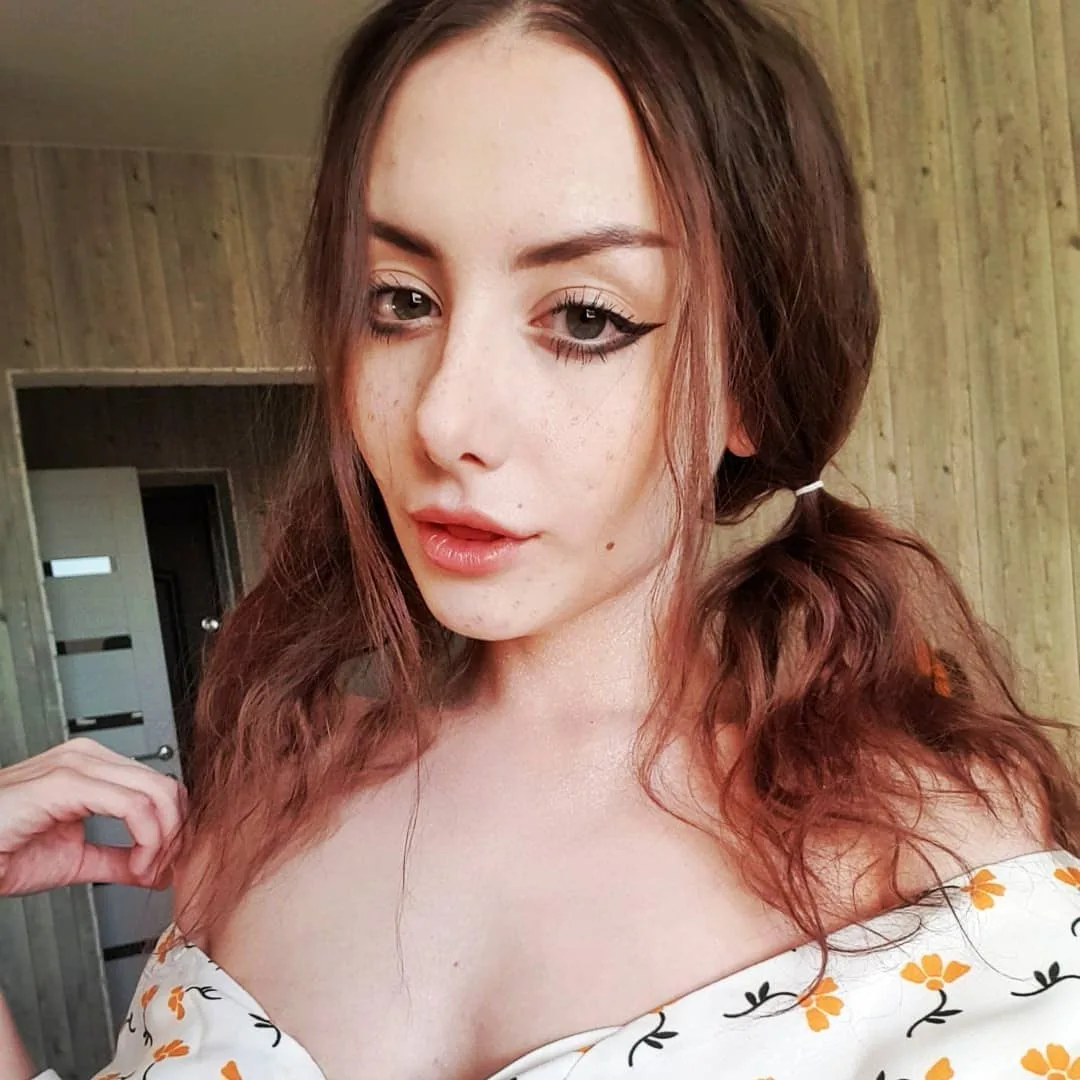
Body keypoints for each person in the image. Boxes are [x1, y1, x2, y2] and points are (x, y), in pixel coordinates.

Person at [2, 0, 1079, 1076]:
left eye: (584, 317)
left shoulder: (944, 855)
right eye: (401, 301)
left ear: (748, 378)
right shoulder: (275, 796)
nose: (442, 419)